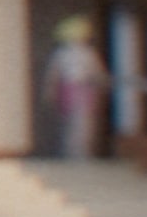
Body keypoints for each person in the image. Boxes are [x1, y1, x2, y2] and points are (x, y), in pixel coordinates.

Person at [44, 15, 109, 159]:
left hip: (83, 89)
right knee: (72, 124)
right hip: (70, 89)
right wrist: (51, 90)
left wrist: (101, 85)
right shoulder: (64, 54)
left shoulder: (87, 53)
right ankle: (71, 153)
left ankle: (80, 153)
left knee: (83, 123)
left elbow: (97, 73)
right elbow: (54, 74)